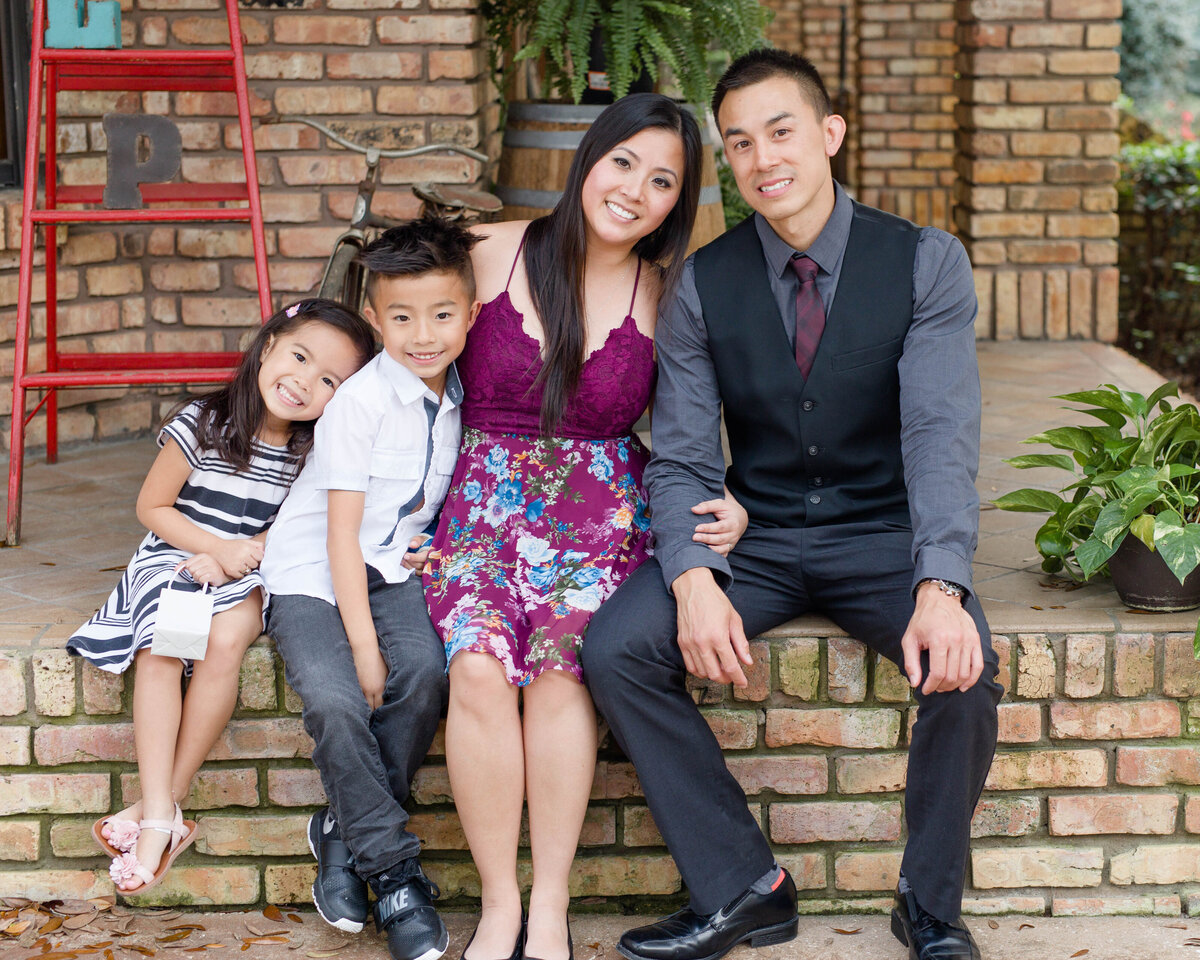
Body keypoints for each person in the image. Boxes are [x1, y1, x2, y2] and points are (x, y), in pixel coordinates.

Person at [583, 49, 1003, 960]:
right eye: (739, 144)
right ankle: (745, 887)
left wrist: (943, 582)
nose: (763, 159)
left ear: (829, 134)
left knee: (966, 674)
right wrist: (693, 577)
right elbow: (685, 455)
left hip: (883, 534)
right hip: (756, 536)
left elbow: (940, 434)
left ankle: (929, 903)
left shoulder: (926, 261)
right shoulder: (701, 280)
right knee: (617, 648)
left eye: (781, 132)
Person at [421, 93, 747, 960]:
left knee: (563, 676)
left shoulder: (672, 294)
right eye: (624, 162)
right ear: (588, 159)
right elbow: (390, 360)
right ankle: (499, 905)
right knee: (482, 669)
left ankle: (551, 907)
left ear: (679, 202)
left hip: (601, 516)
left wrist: (742, 490)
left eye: (664, 179)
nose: (637, 189)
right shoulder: (488, 251)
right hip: (481, 509)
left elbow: (715, 419)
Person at [67, 299, 375, 896]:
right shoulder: (204, 421)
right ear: (267, 347)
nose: (304, 381)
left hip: (250, 568)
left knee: (229, 637)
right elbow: (152, 508)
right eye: (299, 357)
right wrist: (210, 549)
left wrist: (242, 552)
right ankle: (160, 814)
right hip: (177, 558)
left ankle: (161, 809)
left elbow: (296, 524)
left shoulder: (315, 450)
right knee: (167, 643)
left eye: (329, 380)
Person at [261, 216, 482, 960]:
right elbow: (335, 538)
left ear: (471, 314)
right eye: (401, 317)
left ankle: (341, 829)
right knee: (335, 695)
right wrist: (361, 644)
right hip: (314, 576)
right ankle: (392, 871)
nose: (424, 333)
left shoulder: (461, 395)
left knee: (424, 672)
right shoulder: (359, 403)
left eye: (443, 314)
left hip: (390, 566)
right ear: (376, 318)